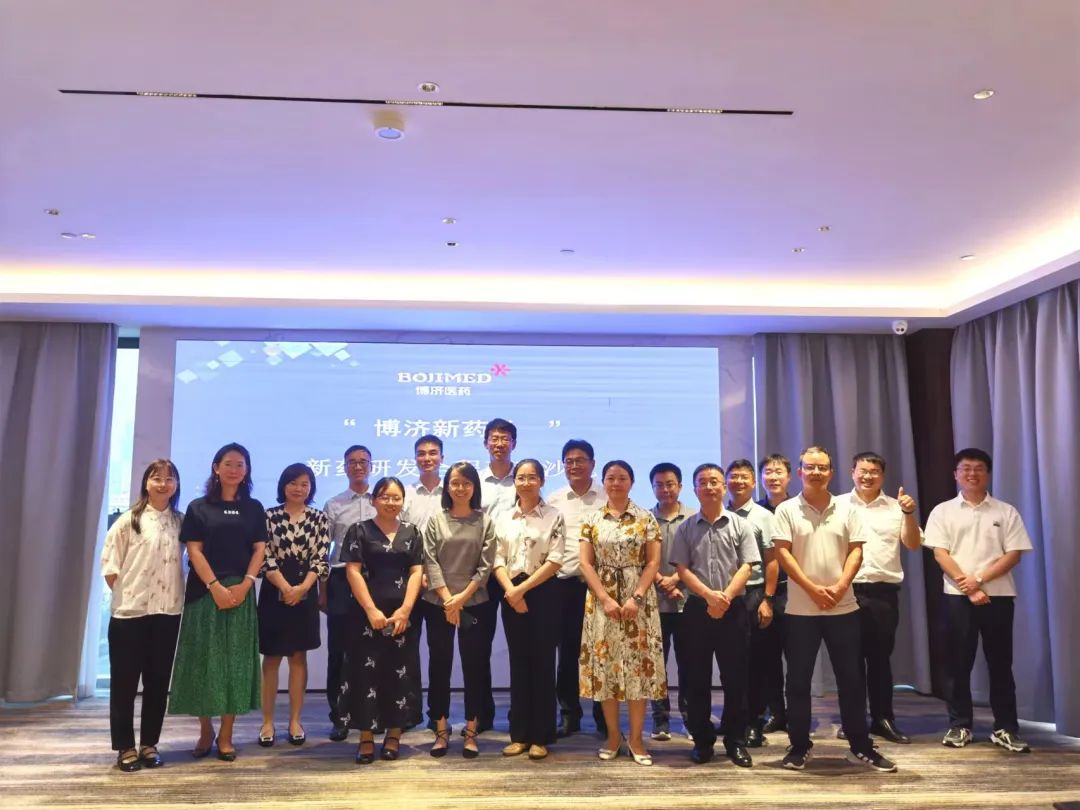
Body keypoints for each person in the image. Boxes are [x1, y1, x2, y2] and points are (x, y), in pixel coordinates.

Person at [772, 446, 896, 773]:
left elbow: (856, 551)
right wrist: (812, 589)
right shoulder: (786, 509)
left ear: (831, 472)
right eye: (810, 467)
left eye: (822, 467)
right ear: (800, 471)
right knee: (797, 682)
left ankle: (860, 746)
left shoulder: (848, 509)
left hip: (844, 608)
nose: (816, 472)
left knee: (852, 680)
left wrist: (840, 587)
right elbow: (783, 553)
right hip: (800, 610)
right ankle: (799, 746)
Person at [924, 448, 1033, 754]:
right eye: (966, 468)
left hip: (998, 596)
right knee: (958, 664)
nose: (972, 473)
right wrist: (968, 585)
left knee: (1001, 664)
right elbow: (940, 553)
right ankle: (960, 725)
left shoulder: (1005, 511)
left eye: (979, 468)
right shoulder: (943, 511)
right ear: (956, 474)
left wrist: (979, 580)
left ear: (988, 473)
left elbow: (1013, 554)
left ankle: (1005, 728)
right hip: (957, 597)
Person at [168, 443, 266, 762]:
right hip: (205, 593)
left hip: (241, 592)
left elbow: (260, 550)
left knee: (234, 664)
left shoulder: (253, 508)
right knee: (204, 663)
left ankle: (226, 734)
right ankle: (205, 730)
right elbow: (194, 550)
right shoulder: (199, 507)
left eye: (240, 464)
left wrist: (246, 584)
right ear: (216, 467)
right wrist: (214, 586)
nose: (234, 469)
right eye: (228, 463)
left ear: (247, 471)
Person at [671, 463, 759, 767]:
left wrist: (725, 598)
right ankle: (703, 741)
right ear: (694, 489)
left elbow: (747, 566)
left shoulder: (740, 525)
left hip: (733, 608)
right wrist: (709, 596)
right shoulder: (685, 527)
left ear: (723, 487)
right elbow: (682, 569)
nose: (709, 487)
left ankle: (735, 741)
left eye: (714, 482)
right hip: (697, 609)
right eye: (703, 482)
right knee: (696, 679)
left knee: (736, 678)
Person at [578, 460, 666, 766]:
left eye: (622, 478)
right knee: (607, 669)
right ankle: (614, 736)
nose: (616, 483)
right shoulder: (591, 519)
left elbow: (653, 562)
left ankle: (637, 738)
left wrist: (636, 597)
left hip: (638, 601)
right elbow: (585, 563)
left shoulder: (645, 518)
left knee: (638, 669)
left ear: (631, 482)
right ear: (603, 482)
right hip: (602, 602)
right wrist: (605, 598)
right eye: (611, 478)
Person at [101, 459, 185, 772]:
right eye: (156, 478)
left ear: (176, 485)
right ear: (146, 483)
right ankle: (125, 747)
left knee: (158, 682)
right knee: (124, 683)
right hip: (129, 614)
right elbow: (110, 567)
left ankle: (150, 744)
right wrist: (131, 593)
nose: (163, 484)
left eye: (169, 478)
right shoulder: (129, 520)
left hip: (168, 611)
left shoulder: (181, 522)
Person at [338, 477, 424, 764]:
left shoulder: (412, 532)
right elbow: (352, 571)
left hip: (403, 617)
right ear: (374, 500)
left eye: (396, 497)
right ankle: (365, 736)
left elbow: (416, 572)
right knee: (364, 674)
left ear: (403, 502)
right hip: (365, 616)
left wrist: (405, 610)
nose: (391, 502)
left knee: (400, 673)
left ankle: (394, 735)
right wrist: (371, 610)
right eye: (385, 497)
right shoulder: (359, 530)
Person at [840, 451, 922, 745]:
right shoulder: (837, 505)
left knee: (879, 660)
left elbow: (913, 544)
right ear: (852, 472)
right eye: (862, 471)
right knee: (849, 661)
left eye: (874, 472)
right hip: (846, 591)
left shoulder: (896, 507)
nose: (867, 476)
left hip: (882, 594)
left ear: (882, 476)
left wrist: (909, 514)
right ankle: (852, 721)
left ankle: (882, 719)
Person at [422, 461, 498, 759]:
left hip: (475, 603)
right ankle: (441, 729)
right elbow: (430, 560)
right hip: (437, 603)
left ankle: (471, 730)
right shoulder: (435, 520)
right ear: (447, 486)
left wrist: (461, 599)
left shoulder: (485, 521)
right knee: (439, 665)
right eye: (455, 482)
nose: (460, 488)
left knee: (474, 666)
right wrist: (447, 599)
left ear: (474, 487)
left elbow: (485, 566)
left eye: (466, 483)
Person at [492, 459, 566, 760]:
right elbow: (496, 559)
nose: (525, 482)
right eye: (520, 477)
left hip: (543, 591)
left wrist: (522, 590)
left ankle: (541, 736)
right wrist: (511, 591)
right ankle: (519, 735)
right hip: (510, 592)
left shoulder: (554, 515)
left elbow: (556, 559)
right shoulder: (503, 517)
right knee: (519, 663)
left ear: (542, 481)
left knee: (543, 664)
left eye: (531, 477)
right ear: (514, 482)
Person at [257, 463, 330, 748]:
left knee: (299, 657)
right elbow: (264, 557)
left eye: (304, 484)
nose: (299, 488)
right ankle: (267, 722)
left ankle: (295, 721)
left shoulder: (319, 518)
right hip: (274, 590)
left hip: (305, 591)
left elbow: (321, 558)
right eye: (293, 483)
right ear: (283, 485)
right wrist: (286, 587)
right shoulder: (268, 516)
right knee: (272, 658)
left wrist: (302, 588)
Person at [547, 439, 606, 738]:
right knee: (568, 653)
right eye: (569, 461)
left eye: (580, 460)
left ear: (592, 463)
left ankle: (603, 716)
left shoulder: (608, 496)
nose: (574, 465)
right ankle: (569, 715)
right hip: (565, 585)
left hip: (602, 587)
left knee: (602, 652)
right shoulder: (555, 499)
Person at [322, 445, 376, 741]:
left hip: (376, 579)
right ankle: (339, 716)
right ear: (344, 467)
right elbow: (322, 551)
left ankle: (375, 713)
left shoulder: (382, 499)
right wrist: (322, 590)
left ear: (371, 466)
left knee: (374, 649)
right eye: (352, 462)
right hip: (341, 580)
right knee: (339, 651)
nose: (358, 466)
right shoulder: (334, 504)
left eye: (363, 462)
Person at [725, 459, 779, 748]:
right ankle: (733, 719)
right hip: (724, 595)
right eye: (733, 476)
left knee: (755, 663)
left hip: (753, 594)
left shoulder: (763, 516)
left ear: (753, 482)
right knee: (730, 662)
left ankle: (754, 723)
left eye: (744, 477)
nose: (738, 481)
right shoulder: (719, 512)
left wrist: (767, 599)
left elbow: (772, 562)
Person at [647, 462, 695, 741]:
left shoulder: (694, 517)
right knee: (656, 664)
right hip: (654, 603)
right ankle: (660, 720)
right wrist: (662, 583)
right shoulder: (644, 519)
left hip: (688, 602)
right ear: (652, 488)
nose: (665, 489)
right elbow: (642, 560)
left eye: (670, 484)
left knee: (690, 664)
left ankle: (690, 719)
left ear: (680, 486)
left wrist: (676, 580)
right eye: (659, 485)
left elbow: (698, 556)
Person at [401, 433, 445, 731]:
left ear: (442, 457)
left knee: (440, 651)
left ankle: (437, 714)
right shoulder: (406, 493)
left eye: (432, 453)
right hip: (410, 582)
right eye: (421, 453)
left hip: (443, 584)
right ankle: (408, 711)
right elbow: (401, 536)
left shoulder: (452, 492)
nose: (427, 458)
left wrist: (436, 575)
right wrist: (418, 573)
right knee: (407, 650)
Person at [754, 453, 792, 734]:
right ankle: (775, 712)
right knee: (767, 658)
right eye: (768, 472)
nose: (773, 477)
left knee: (797, 657)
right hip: (765, 593)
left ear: (789, 476)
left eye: (778, 472)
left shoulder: (799, 508)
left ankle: (796, 712)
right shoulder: (755, 511)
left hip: (796, 591)